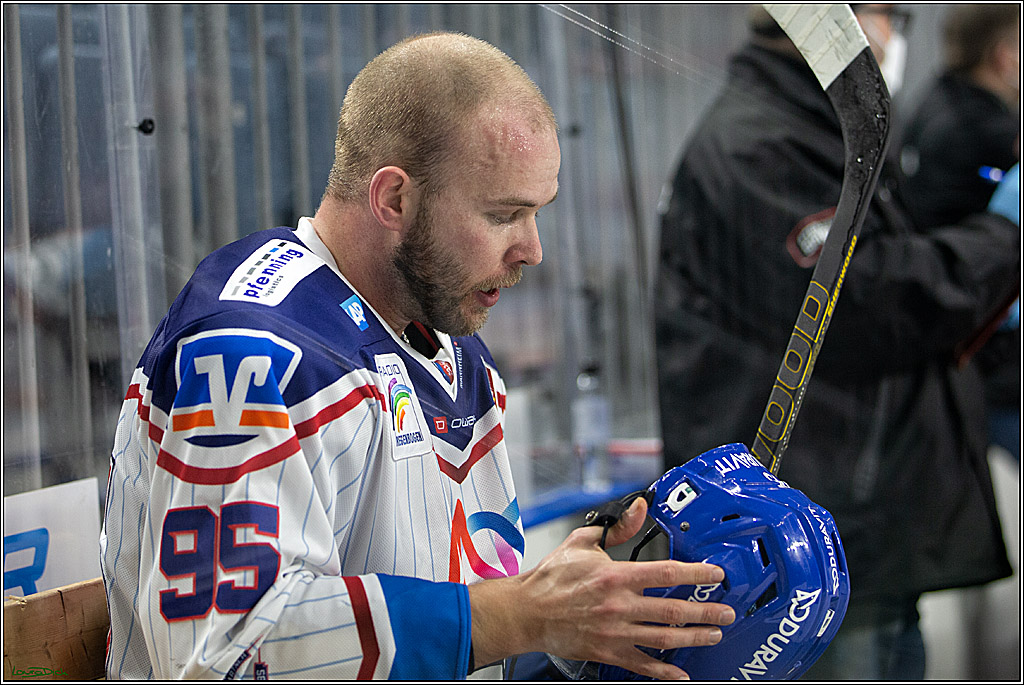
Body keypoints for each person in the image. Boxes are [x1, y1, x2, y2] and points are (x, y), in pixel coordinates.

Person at [99, 32, 734, 680]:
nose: (533, 250)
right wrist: (517, 614)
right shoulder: (248, 357)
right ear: (394, 200)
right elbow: (223, 656)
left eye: (537, 213)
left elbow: (471, 623)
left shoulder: (448, 336)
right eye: (503, 215)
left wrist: (566, 613)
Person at [653, 5, 1019, 681]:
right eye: (887, 12)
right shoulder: (763, 143)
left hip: (854, 528)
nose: (894, 32)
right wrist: (1004, 240)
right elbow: (865, 302)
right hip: (807, 541)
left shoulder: (825, 128)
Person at [896, 5, 1021, 462]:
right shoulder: (994, 133)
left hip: (946, 343)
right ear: (1005, 56)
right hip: (989, 353)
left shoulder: (930, 104)